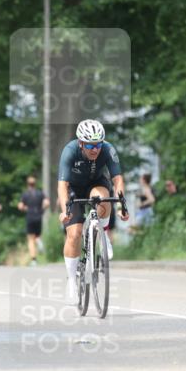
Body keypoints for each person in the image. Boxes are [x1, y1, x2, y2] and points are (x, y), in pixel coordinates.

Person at [57, 119, 129, 299]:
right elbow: (62, 185)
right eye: (90, 145)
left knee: (104, 198)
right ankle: (72, 280)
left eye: (98, 144)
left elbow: (117, 180)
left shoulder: (107, 149)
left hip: (96, 183)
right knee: (74, 234)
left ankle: (102, 232)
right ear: (81, 143)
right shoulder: (70, 151)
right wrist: (65, 210)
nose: (95, 149)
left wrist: (121, 206)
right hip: (73, 188)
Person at [18, 175, 49, 266]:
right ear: (35, 184)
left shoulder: (25, 194)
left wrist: (24, 208)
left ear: (27, 184)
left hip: (30, 216)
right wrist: (42, 210)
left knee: (30, 239)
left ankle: (33, 259)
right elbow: (47, 203)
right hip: (38, 216)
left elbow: (20, 206)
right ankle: (39, 241)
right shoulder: (40, 193)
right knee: (37, 235)